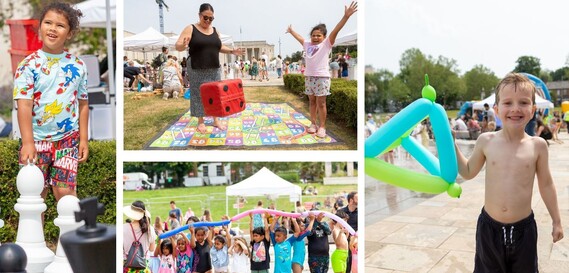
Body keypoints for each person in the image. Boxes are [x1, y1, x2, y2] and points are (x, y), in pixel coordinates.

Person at [454, 73, 563, 272]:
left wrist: (556, 221)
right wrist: (451, 144)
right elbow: (468, 171)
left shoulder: (537, 146)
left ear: (533, 110)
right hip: (490, 229)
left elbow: (546, 184)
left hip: (524, 231)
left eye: (523, 102)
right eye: (507, 103)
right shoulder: (486, 141)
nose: (515, 108)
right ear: (496, 109)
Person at [13, 2, 88, 202]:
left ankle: (71, 234)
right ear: (40, 27)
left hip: (67, 141)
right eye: (48, 23)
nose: (53, 28)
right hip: (36, 141)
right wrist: (28, 142)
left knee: (66, 195)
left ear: (70, 33)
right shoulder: (28, 65)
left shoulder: (78, 65)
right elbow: (24, 105)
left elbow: (83, 104)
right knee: (34, 196)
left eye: (60, 25)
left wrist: (83, 140)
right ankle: (36, 235)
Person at [286, 2, 357, 138]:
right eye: (313, 35)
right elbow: (300, 38)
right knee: (312, 101)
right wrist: (291, 31)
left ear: (324, 37)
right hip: (309, 77)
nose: (315, 37)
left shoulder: (326, 44)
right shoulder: (307, 44)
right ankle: (313, 124)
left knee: (321, 103)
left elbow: (336, 30)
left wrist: (346, 17)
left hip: (322, 77)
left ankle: (322, 126)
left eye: (319, 35)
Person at [175, 3, 243, 134]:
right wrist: (184, 45)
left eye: (211, 18)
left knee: (215, 93)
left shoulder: (215, 30)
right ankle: (200, 121)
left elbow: (219, 46)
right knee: (198, 93)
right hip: (196, 67)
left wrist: (232, 51)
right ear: (199, 15)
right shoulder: (191, 28)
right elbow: (178, 45)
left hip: (214, 67)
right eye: (205, 17)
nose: (207, 21)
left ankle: (215, 119)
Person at [123, 200, 156, 272]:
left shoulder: (123, 228)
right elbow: (151, 249)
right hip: (143, 267)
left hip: (127, 266)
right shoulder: (150, 229)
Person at [339, 191, 357, 273]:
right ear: (351, 200)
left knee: (355, 264)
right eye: (357, 198)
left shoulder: (360, 212)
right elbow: (332, 223)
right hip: (344, 242)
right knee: (345, 265)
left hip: (355, 242)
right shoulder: (341, 212)